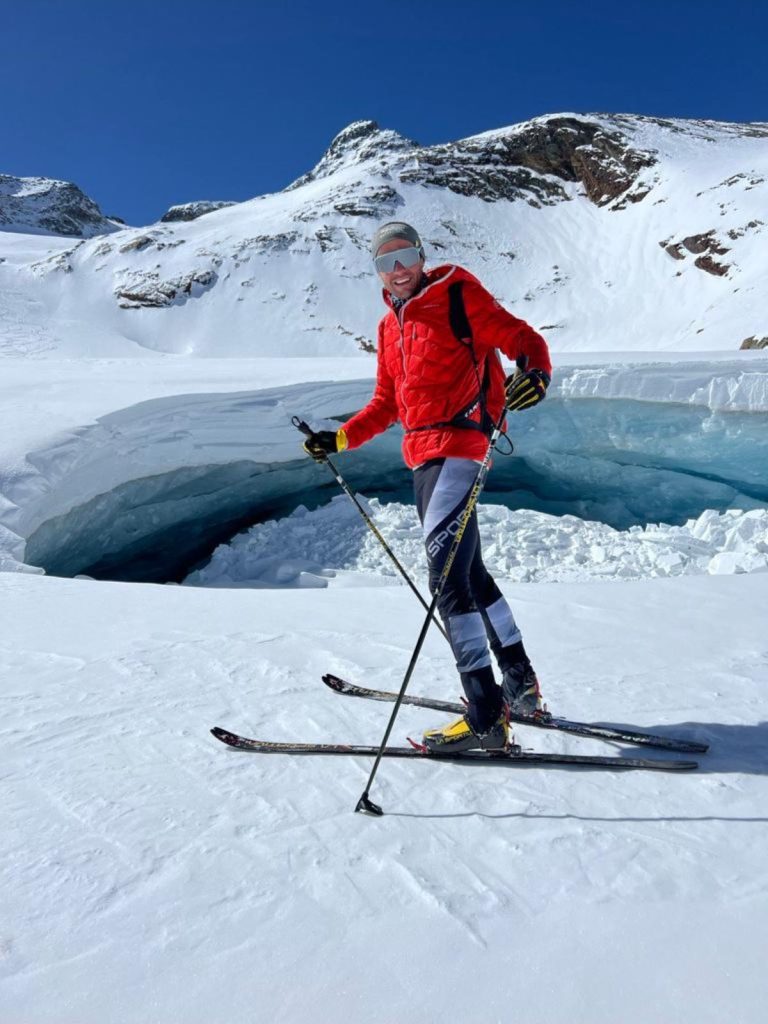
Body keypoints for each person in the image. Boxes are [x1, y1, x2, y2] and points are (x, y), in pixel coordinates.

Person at [302, 221, 552, 753]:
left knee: (447, 580)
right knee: (470, 574)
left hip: (461, 447)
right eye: (384, 262)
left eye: (405, 256)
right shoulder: (388, 328)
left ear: (421, 256)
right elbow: (386, 403)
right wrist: (339, 438)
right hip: (422, 459)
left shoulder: (459, 295)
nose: (397, 270)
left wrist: (535, 372)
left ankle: (486, 717)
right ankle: (521, 684)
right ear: (376, 272)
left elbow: (522, 339)